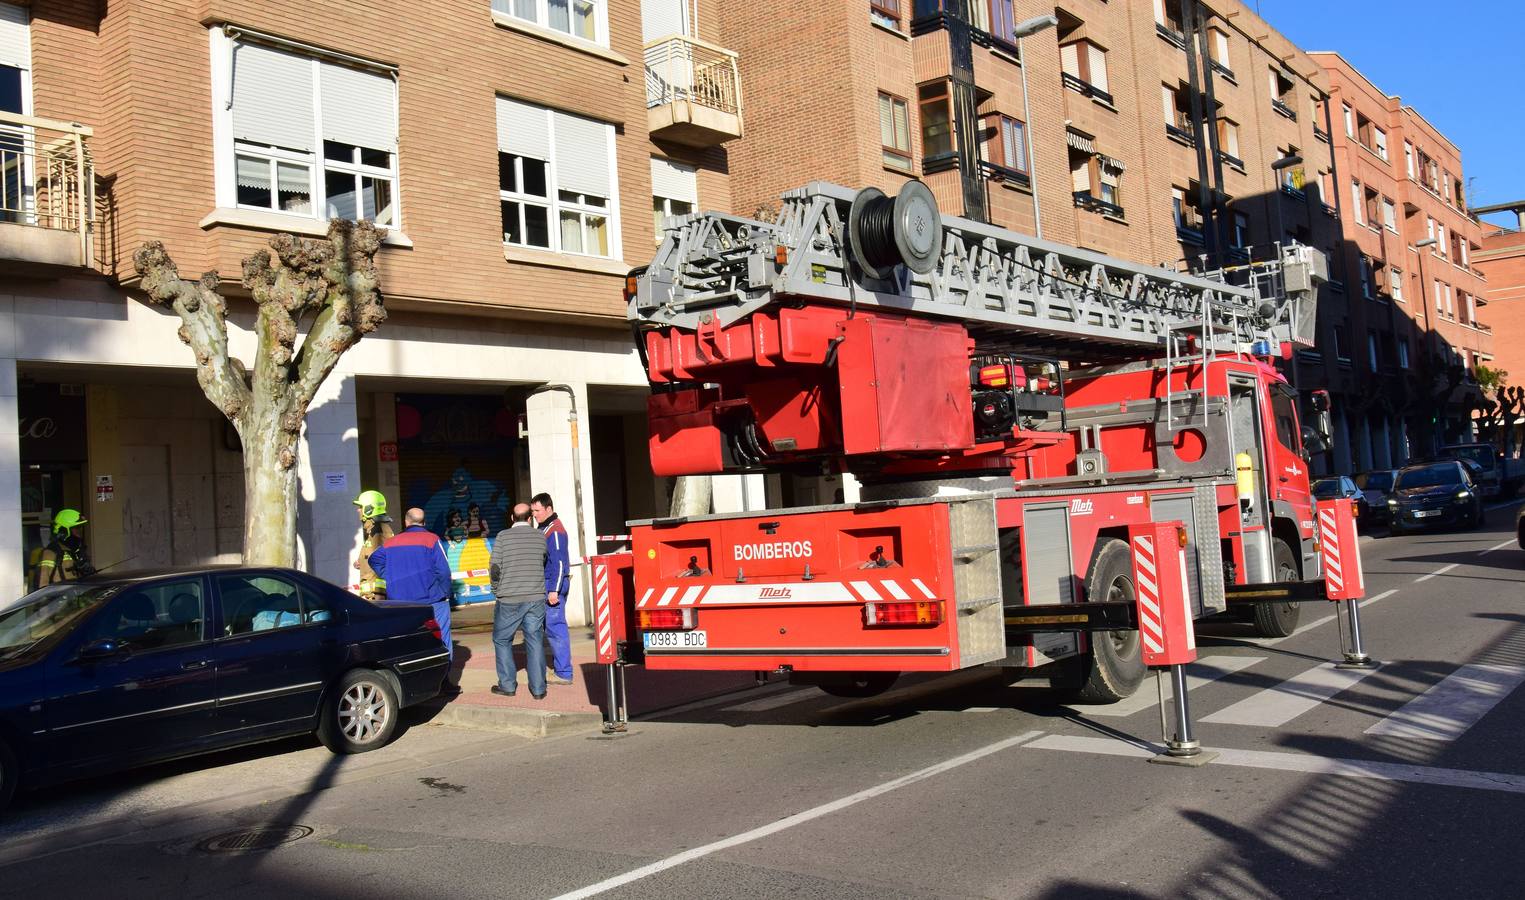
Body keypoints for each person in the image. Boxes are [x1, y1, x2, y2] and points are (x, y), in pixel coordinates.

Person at [368, 508, 456, 668]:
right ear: (424, 522)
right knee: (442, 639)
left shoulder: (391, 542)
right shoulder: (432, 539)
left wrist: (390, 576)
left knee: (406, 642)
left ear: (406, 522)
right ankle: (444, 680)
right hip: (433, 601)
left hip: (400, 604)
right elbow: (443, 571)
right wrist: (446, 593)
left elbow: (374, 559)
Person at [487, 503, 548, 699]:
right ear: (529, 518)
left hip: (509, 598)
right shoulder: (540, 536)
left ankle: (507, 685)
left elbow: (495, 567)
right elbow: (544, 560)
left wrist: (496, 590)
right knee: (535, 640)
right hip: (536, 597)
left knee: (502, 639)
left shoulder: (503, 536)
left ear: (512, 518)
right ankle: (538, 689)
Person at [530, 492, 575, 685]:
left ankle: (564, 672)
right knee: (552, 628)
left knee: (556, 628)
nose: (534, 515)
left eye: (537, 511)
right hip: (548, 586)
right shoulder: (546, 528)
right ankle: (562, 670)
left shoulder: (554, 531)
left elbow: (559, 563)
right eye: (532, 511)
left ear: (549, 509)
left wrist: (554, 590)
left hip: (552, 587)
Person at [32, 509, 94, 591]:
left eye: (80, 528)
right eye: (76, 528)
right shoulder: (50, 553)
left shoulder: (78, 551)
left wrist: (89, 572)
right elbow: (41, 588)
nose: (79, 532)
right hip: (60, 602)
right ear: (64, 530)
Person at [352, 490, 394, 602]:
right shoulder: (372, 530)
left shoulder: (379, 531)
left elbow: (383, 565)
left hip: (375, 599)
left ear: (368, 509)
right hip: (370, 597)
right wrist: (362, 562)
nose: (358, 510)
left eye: (360, 507)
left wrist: (379, 596)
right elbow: (371, 557)